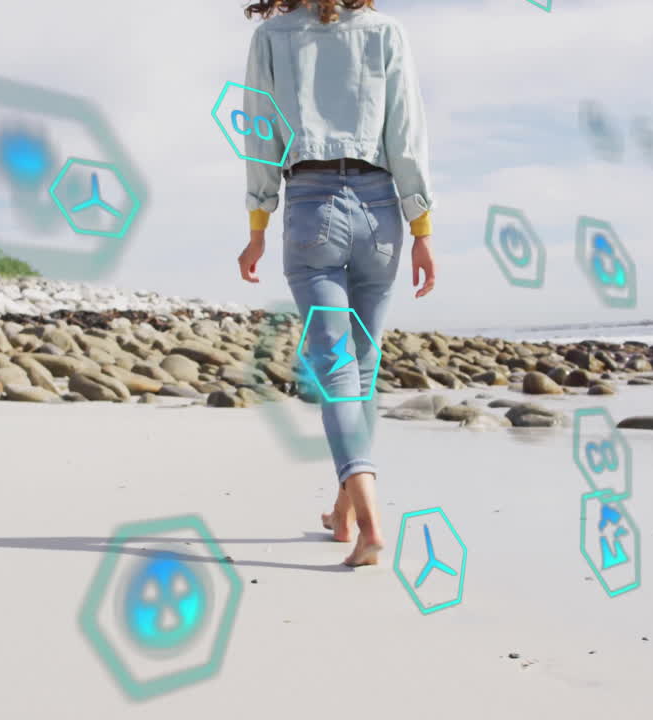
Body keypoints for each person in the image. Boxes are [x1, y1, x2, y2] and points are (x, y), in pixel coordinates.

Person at [235, 0, 436, 567]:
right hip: (383, 215)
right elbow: (407, 130)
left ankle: (370, 525)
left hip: (310, 204)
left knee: (338, 373)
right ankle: (343, 513)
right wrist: (421, 227)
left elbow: (259, 134)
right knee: (361, 373)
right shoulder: (387, 32)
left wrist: (257, 223)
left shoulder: (273, 36)